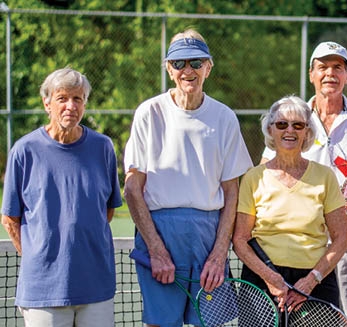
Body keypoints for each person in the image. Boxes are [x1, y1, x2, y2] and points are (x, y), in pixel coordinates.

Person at [260, 41, 347, 327]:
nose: (330, 74)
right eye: (323, 67)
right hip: (301, 246)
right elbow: (266, 173)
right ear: (311, 74)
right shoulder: (290, 118)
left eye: (338, 67)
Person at [123, 29, 253, 327]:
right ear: (169, 69)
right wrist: (156, 249)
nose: (188, 70)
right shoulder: (148, 113)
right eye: (179, 63)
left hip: (208, 238)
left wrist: (219, 253)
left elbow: (232, 192)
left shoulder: (224, 117)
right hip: (159, 234)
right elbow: (132, 189)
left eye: (196, 62)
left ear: (208, 67)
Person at [1, 68, 122, 327]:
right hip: (43, 292)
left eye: (78, 99)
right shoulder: (24, 151)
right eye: (62, 98)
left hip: (96, 286)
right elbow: (10, 218)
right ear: (47, 103)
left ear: (85, 104)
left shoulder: (103, 148)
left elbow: (106, 211)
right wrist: (39, 256)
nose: (71, 106)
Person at [233, 95, 347, 321]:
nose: (290, 130)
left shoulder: (325, 176)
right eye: (282, 124)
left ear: (307, 132)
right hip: (261, 283)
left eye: (298, 125)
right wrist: (270, 278)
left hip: (315, 283)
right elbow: (240, 239)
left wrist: (311, 280)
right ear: (270, 129)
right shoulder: (253, 178)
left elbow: (341, 238)